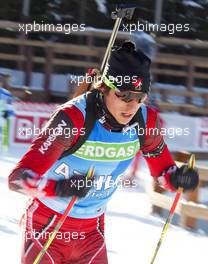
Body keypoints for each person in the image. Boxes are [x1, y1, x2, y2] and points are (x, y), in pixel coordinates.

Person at [8, 41, 199, 264]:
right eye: (124, 95)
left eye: (140, 97)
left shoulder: (146, 121)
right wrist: (59, 187)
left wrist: (178, 179)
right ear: (104, 87)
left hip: (92, 230)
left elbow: (164, 173)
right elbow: (18, 179)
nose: (131, 105)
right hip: (47, 224)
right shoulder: (73, 118)